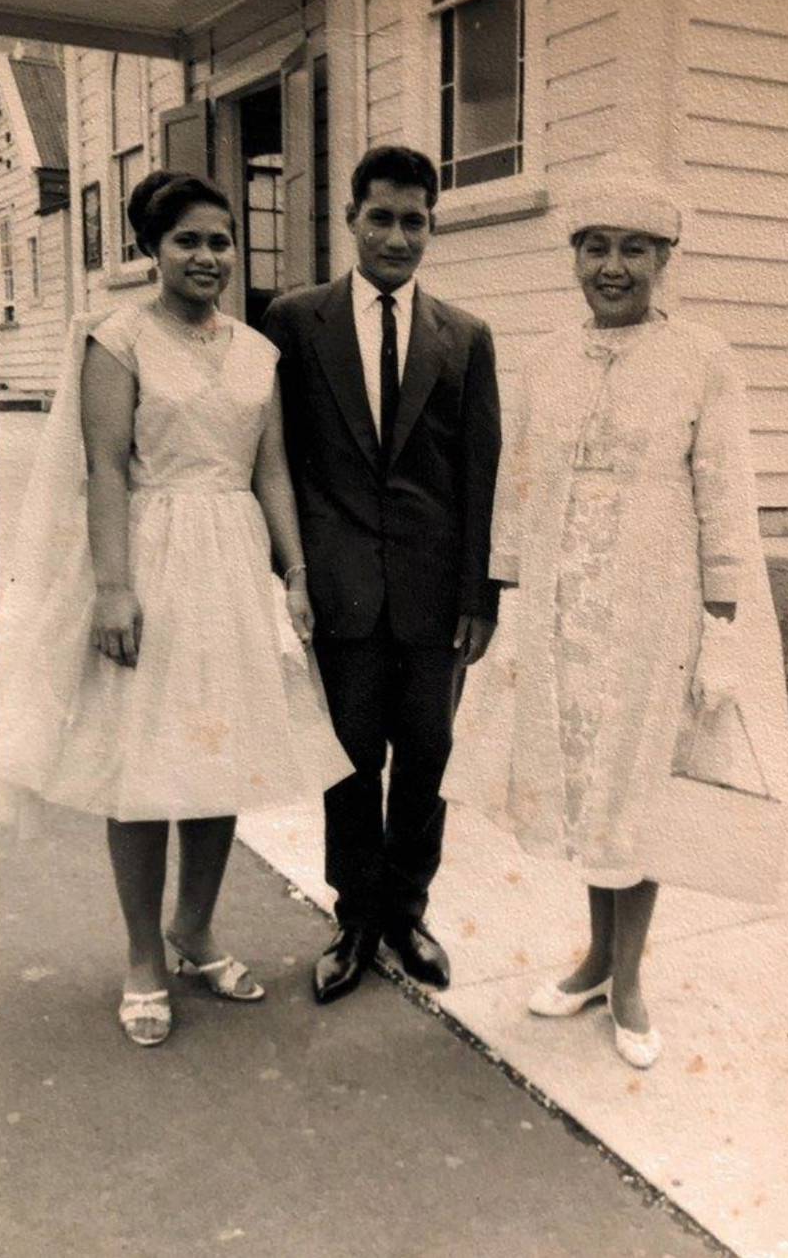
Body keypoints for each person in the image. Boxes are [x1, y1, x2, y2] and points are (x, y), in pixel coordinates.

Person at [0, 171, 350, 1047]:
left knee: (215, 759)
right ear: (151, 250)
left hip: (232, 566)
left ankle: (194, 931)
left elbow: (269, 472)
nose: (207, 256)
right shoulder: (117, 341)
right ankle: (142, 957)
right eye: (187, 239)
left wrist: (295, 573)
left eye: (220, 239)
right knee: (143, 769)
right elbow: (105, 468)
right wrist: (114, 587)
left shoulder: (258, 351)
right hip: (149, 559)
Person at [459, 153, 788, 1068]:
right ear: (573, 257)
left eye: (635, 250)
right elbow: (517, 480)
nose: (614, 266)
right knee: (588, 784)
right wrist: (513, 589)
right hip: (569, 607)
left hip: (657, 604)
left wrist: (721, 622)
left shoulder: (701, 358)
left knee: (642, 787)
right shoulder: (549, 357)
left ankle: (630, 975)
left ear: (664, 260)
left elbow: (723, 488)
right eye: (597, 247)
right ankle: (596, 959)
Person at [262, 146, 502, 1004]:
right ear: (352, 219)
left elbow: (482, 474)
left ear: (431, 226)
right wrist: (289, 571)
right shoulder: (294, 322)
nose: (398, 236)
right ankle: (354, 917)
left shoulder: (465, 337)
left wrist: (480, 597)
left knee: (427, 760)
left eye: (415, 221)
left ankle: (407, 911)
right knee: (351, 760)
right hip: (340, 590)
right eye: (382, 218)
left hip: (437, 598)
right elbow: (275, 457)